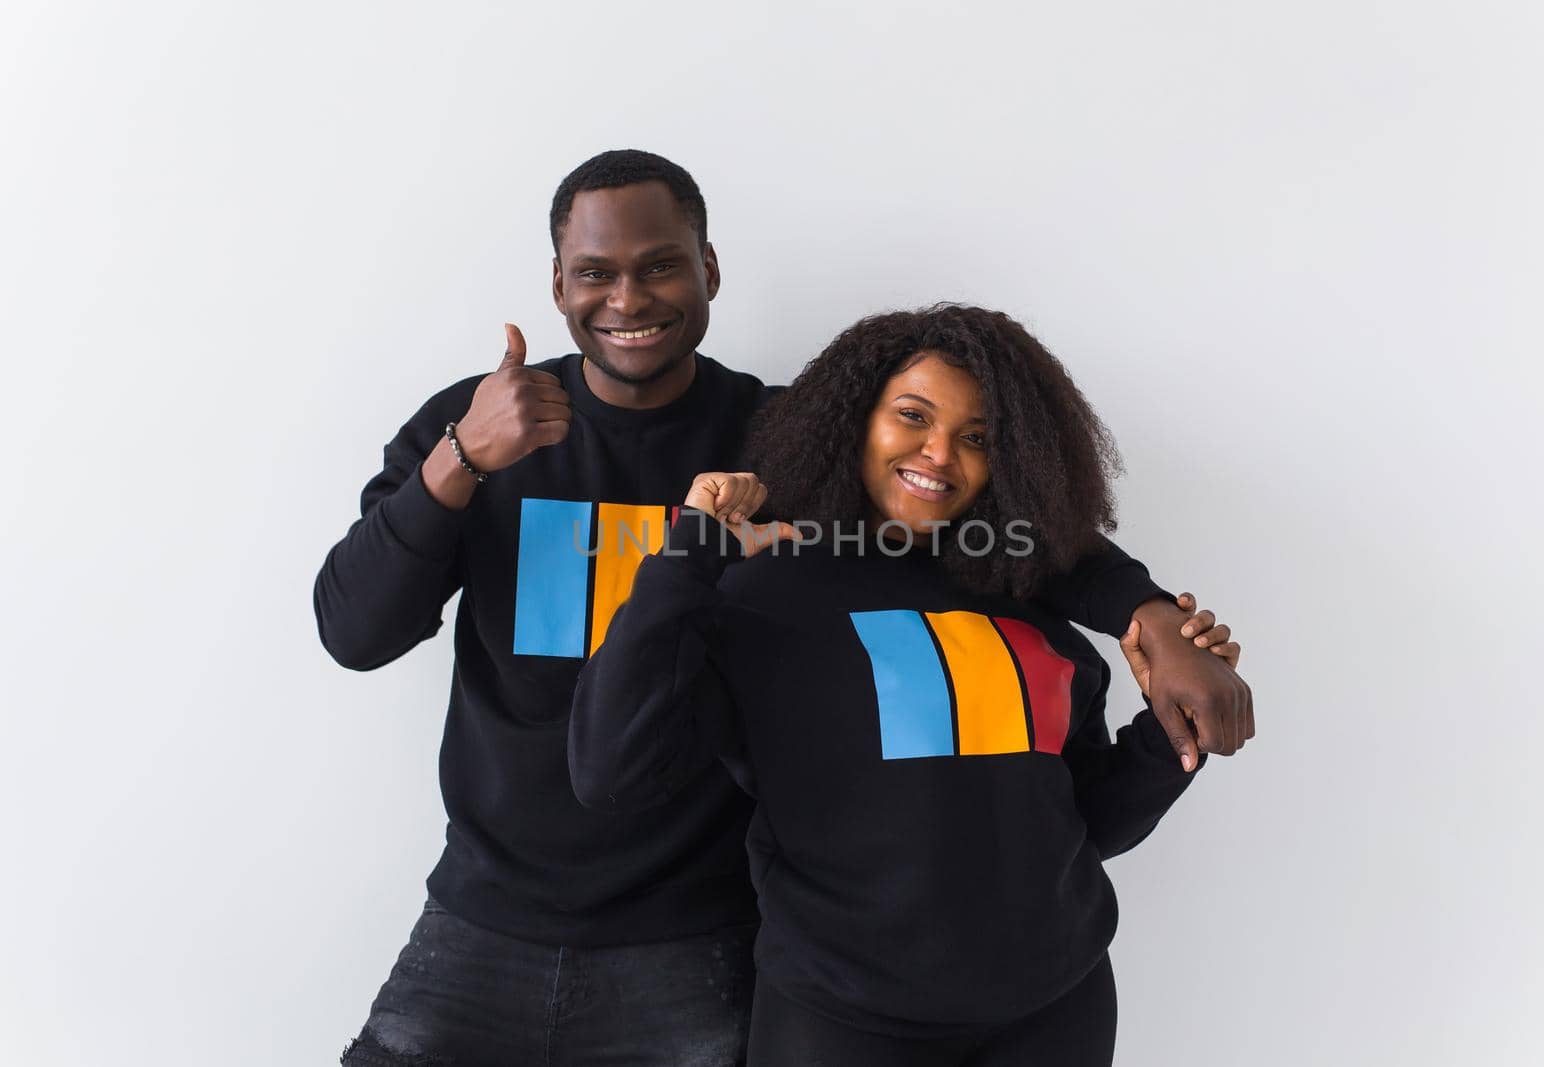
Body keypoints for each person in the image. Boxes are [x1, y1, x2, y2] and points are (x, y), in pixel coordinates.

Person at [316, 151, 1250, 1065]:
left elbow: (995, 529)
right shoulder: (475, 424)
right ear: (557, 285)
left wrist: (1151, 614)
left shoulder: (789, 445)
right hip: (487, 914)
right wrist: (461, 459)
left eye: (661, 266)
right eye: (595, 273)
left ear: (709, 270)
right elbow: (355, 632)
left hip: (699, 934)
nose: (629, 299)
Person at [569, 303, 1245, 1064]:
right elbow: (607, 769)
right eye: (912, 415)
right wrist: (690, 549)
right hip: (844, 1021)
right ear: (854, 417)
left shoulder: (1033, 599)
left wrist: (1170, 734)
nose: (939, 454)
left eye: (977, 437)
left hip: (1056, 1012)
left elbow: (1080, 824)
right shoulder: (760, 597)